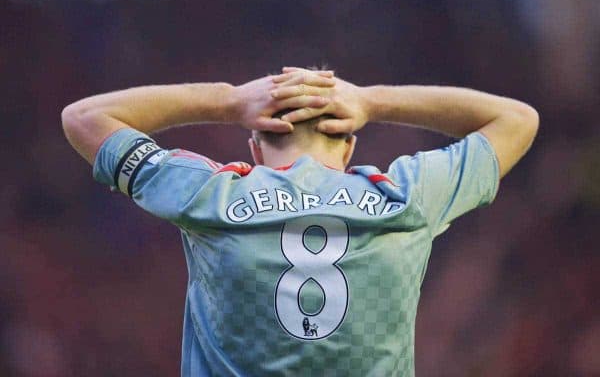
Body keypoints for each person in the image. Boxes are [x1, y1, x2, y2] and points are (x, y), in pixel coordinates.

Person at [62, 66, 538, 376]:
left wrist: (227, 101)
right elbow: (517, 120)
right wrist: (374, 100)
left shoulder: (209, 194)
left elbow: (84, 117)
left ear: (254, 145)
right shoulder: (407, 196)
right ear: (350, 145)